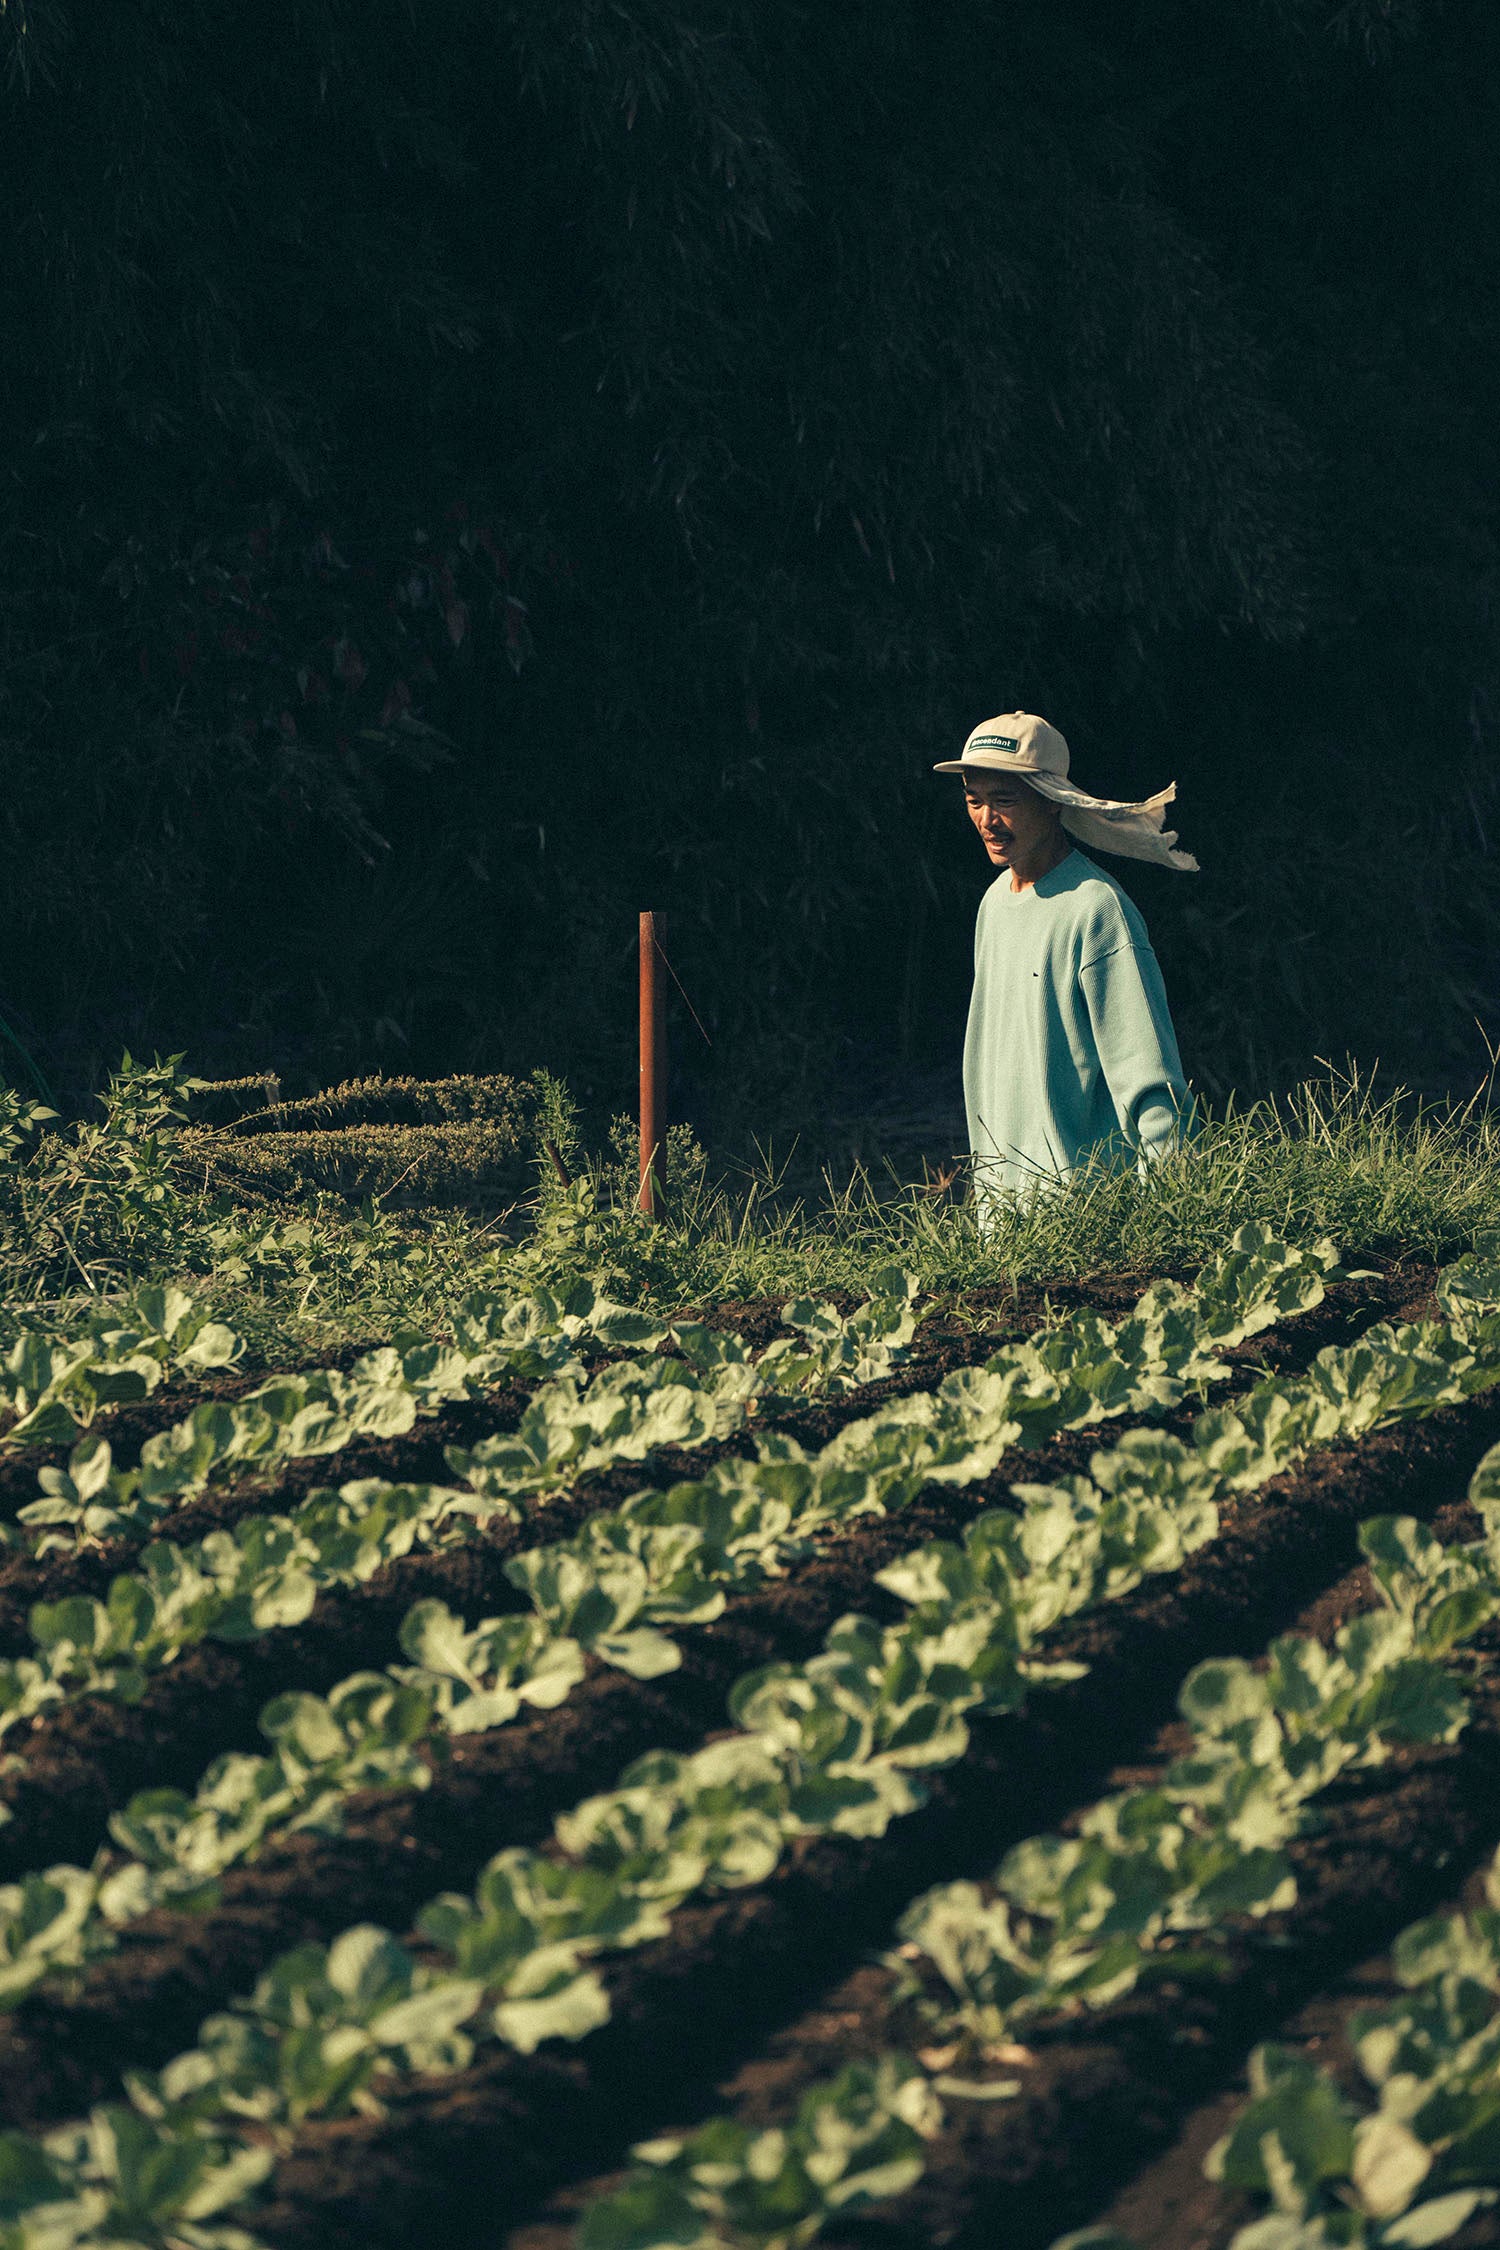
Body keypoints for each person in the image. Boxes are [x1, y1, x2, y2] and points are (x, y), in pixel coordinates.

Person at [933, 711, 1195, 1214]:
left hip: (1087, 1224)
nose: (987, 819)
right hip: (1004, 1226)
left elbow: (1150, 1078)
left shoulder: (1097, 909)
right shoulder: (994, 906)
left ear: (1052, 804)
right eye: (974, 800)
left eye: (1005, 801)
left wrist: (1172, 1216)